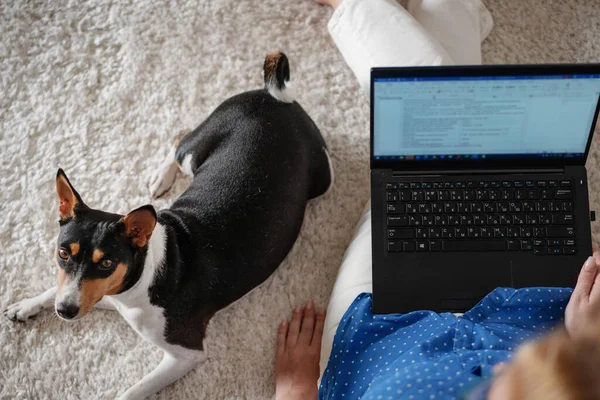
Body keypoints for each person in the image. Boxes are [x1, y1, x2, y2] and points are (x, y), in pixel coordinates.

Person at [273, 0, 600, 399]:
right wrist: (587, 346)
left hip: (382, 335)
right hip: (534, 313)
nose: (494, 375)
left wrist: (295, 389)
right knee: (457, 125)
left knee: (429, 148)